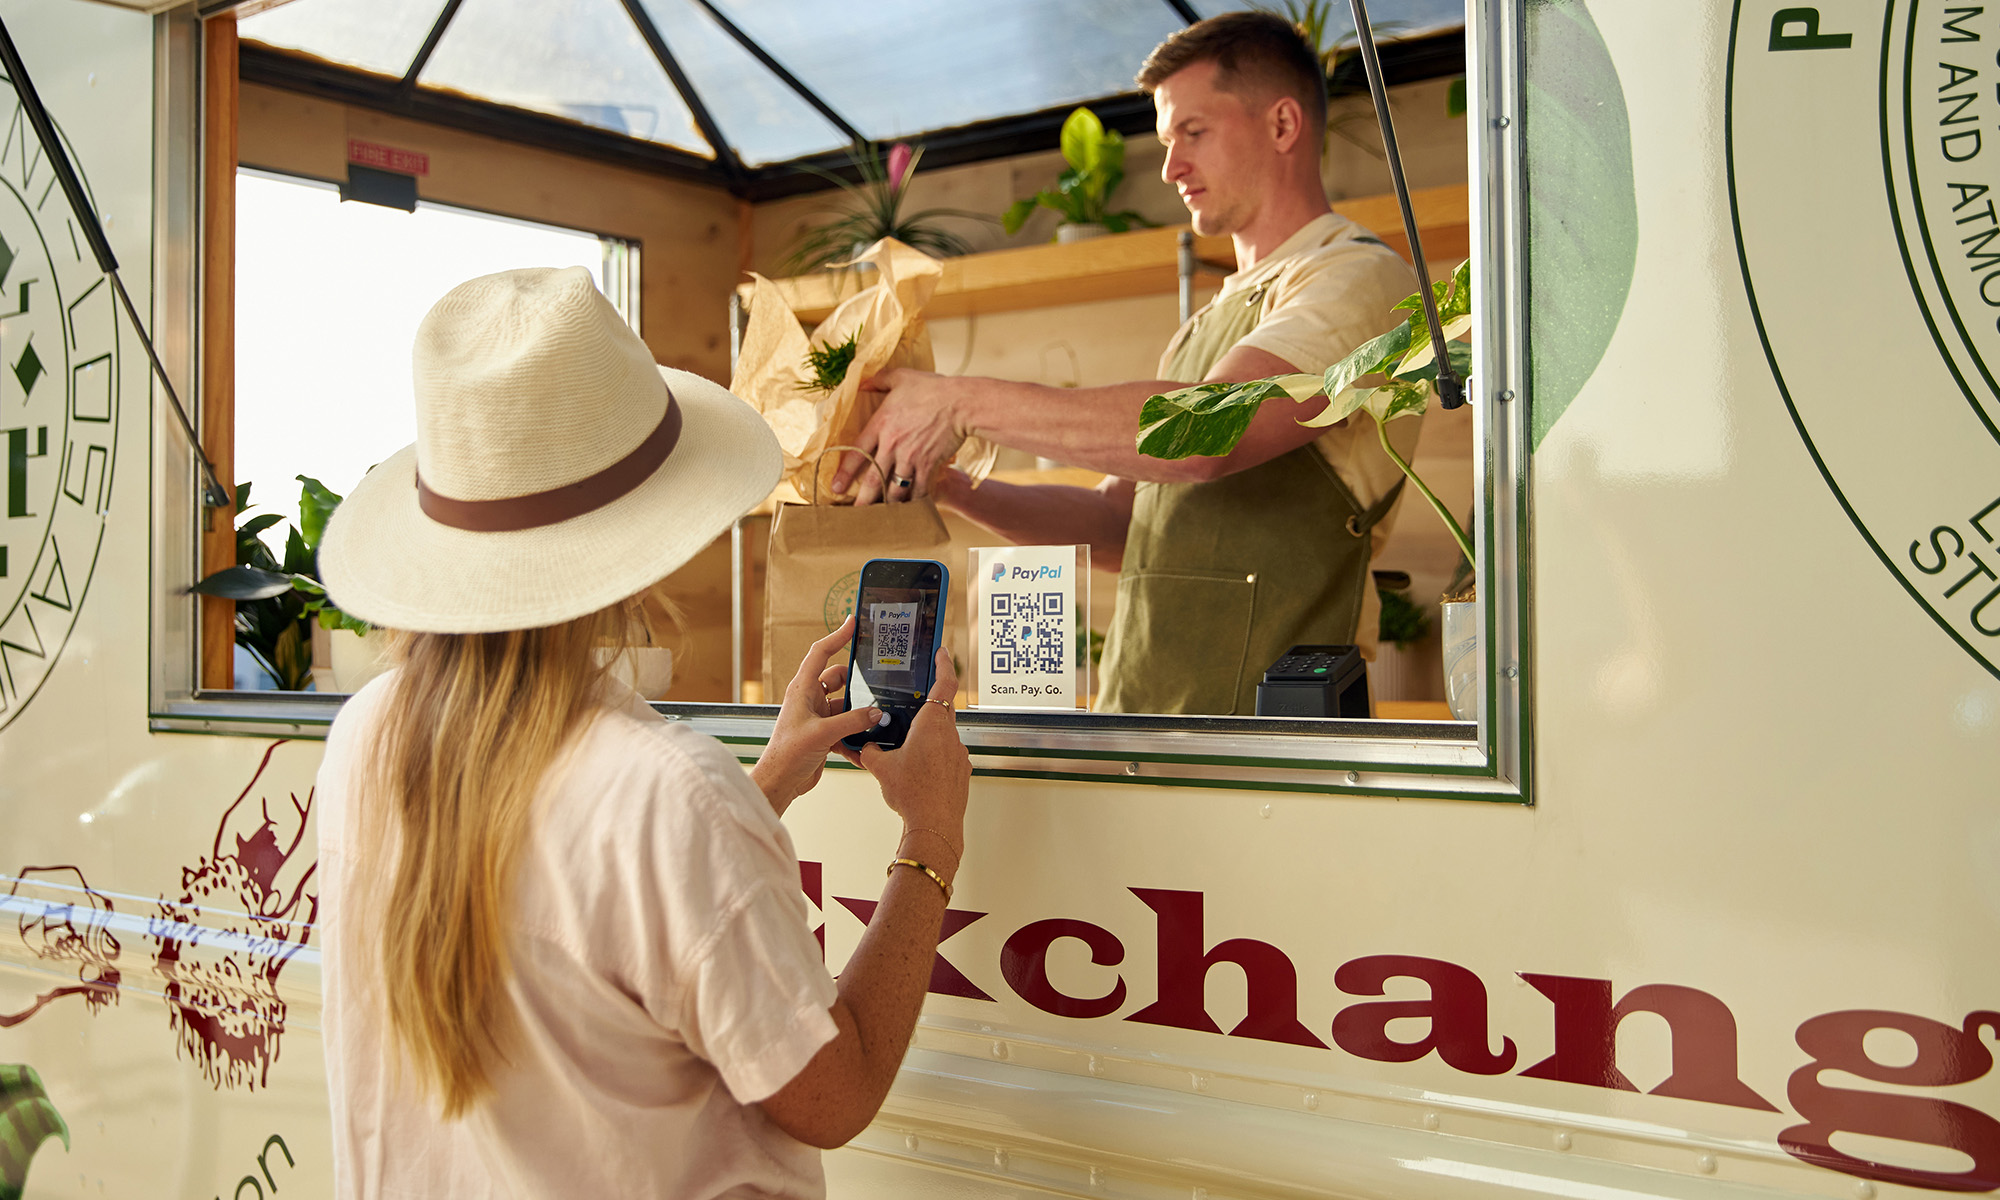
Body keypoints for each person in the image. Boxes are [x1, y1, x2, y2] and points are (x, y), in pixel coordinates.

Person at [313, 266, 972, 1199]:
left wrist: (763, 786)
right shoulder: (669, 799)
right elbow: (837, 1092)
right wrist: (933, 837)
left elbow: (591, 892)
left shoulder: (365, 735)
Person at [832, 12, 1423, 717]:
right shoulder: (1206, 325)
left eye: (1193, 132)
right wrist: (951, 486)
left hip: (1272, 743)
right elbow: (1119, 524)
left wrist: (959, 402)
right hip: (1142, 724)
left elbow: (1204, 436)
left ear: (1283, 124)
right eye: (1168, 140)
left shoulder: (1357, 278)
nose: (1171, 168)